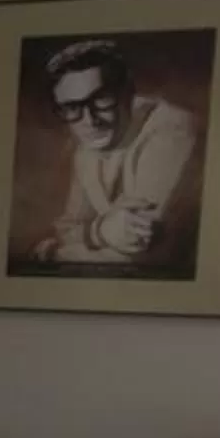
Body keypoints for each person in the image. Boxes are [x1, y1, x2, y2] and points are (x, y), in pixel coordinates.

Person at [28, 38, 201, 268]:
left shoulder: (173, 129)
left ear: (128, 93)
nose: (90, 120)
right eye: (72, 107)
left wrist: (54, 255)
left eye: (101, 99)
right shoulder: (87, 147)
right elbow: (67, 229)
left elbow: (139, 251)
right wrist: (101, 232)